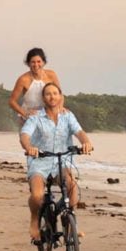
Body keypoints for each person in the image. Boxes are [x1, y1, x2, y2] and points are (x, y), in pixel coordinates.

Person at [20, 83, 93, 241]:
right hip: (40, 162)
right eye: (48, 94)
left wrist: (86, 143)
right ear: (43, 98)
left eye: (55, 93)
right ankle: (34, 220)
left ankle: (69, 223)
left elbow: (79, 132)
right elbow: (24, 134)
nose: (52, 96)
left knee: (72, 186)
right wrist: (29, 147)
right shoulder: (35, 117)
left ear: (60, 96)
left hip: (62, 161)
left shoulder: (68, 116)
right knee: (38, 195)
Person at [8, 47, 61, 127]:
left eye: (39, 61)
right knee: (27, 139)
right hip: (28, 119)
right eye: (33, 62)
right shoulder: (23, 79)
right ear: (28, 63)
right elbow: (12, 101)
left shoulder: (51, 75)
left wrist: (60, 108)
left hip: (48, 117)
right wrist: (25, 113)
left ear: (43, 62)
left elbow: (60, 95)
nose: (36, 65)